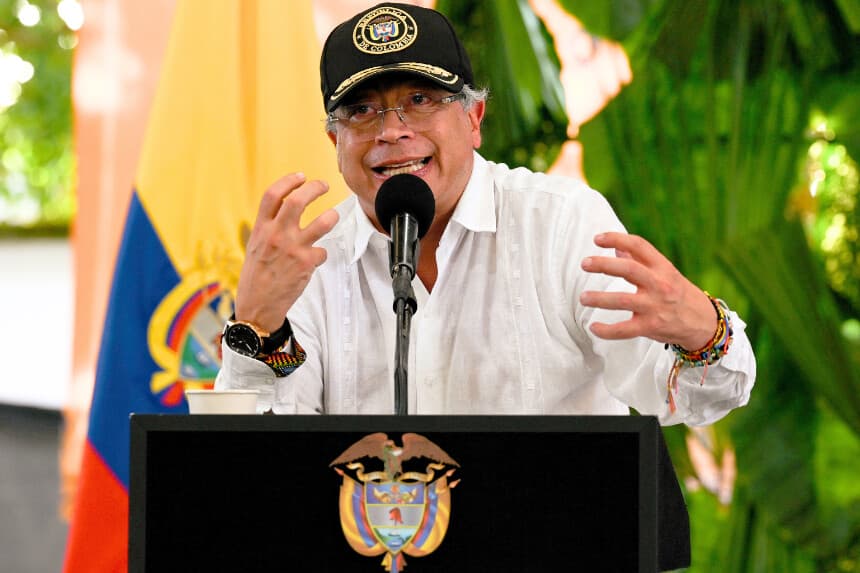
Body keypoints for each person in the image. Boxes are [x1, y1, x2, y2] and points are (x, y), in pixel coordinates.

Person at [215, 2, 755, 425]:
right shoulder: (310, 260)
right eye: (361, 111)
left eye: (421, 100)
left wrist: (705, 334)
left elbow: (688, 397)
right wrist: (258, 328)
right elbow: (259, 463)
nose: (391, 131)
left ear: (474, 118)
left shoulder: (560, 224)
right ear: (335, 139)